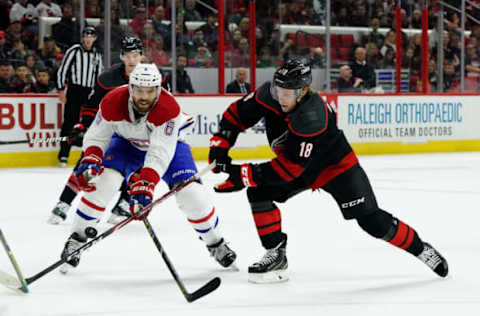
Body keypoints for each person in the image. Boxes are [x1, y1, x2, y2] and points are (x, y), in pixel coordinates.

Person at [208, 58, 448, 283]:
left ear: (302, 92)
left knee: (372, 222)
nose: (281, 98)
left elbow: (289, 169)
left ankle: (421, 249)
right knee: (258, 192)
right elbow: (236, 114)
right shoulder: (269, 94)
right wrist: (221, 143)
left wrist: (241, 175)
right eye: (279, 91)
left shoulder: (311, 116)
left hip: (336, 168)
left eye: (287, 94)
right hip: (300, 166)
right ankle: (276, 255)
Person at [59, 63, 237, 273]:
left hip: (171, 148)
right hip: (126, 144)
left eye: (150, 91)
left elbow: (159, 152)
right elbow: (97, 136)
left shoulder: (168, 109)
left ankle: (215, 243)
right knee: (104, 183)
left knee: (192, 195)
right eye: (140, 90)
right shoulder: (113, 101)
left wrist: (146, 184)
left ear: (158, 89)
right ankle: (77, 239)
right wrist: (91, 158)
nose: (144, 96)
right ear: (131, 87)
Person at [48, 36, 144, 226]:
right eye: (128, 55)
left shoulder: (152, 78)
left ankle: (124, 202)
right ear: (122, 56)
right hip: (109, 129)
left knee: (136, 166)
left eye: (135, 55)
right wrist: (83, 125)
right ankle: (64, 203)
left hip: (136, 133)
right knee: (87, 162)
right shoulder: (107, 79)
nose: (131, 60)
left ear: (142, 56)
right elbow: (92, 105)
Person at [56, 26, 103, 167]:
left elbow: (99, 76)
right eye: (86, 36)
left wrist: (98, 94)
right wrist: (61, 89)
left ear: (94, 39)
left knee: (90, 124)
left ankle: (87, 154)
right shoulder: (74, 50)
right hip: (74, 90)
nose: (88, 39)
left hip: (89, 92)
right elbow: (63, 70)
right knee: (69, 122)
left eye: (91, 36)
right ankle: (64, 154)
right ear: (82, 37)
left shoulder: (97, 54)